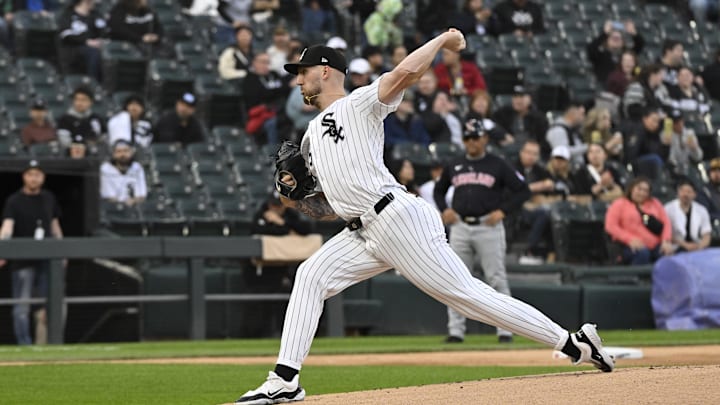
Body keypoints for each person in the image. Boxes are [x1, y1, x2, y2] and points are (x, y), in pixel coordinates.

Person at [233, 30, 614, 405]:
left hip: (396, 217)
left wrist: (442, 40)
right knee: (310, 275)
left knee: (468, 297)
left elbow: (405, 75)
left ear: (327, 70)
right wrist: (294, 199)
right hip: (362, 230)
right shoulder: (309, 137)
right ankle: (284, 380)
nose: (298, 79)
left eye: (303, 71)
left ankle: (572, 343)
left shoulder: (359, 103)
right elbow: (329, 207)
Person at [434, 118, 530, 344]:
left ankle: (505, 329)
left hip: (488, 225)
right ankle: (456, 331)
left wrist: (504, 210)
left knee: (496, 278)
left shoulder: (498, 164)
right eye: (467, 138)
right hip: (460, 227)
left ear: (485, 138)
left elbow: (523, 191)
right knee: (454, 279)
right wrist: (444, 209)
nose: (472, 142)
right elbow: (439, 191)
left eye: (475, 138)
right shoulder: (454, 163)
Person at [0, 160, 64, 345]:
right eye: (30, 174)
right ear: (24, 177)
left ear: (43, 177)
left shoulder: (48, 198)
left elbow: (54, 226)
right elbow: (7, 227)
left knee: (49, 305)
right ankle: (24, 345)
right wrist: (2, 250)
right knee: (22, 306)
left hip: (47, 259)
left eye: (37, 174)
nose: (34, 178)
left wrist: (62, 251)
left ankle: (47, 344)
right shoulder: (14, 200)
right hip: (23, 260)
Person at [605, 176, 673, 265]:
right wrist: (629, 239)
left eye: (645, 190)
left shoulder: (655, 203)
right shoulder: (619, 203)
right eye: (639, 189)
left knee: (667, 254)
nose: (642, 193)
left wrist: (666, 241)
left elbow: (666, 223)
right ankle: (635, 278)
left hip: (655, 244)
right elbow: (610, 226)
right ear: (631, 189)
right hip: (627, 245)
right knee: (642, 253)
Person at [514, 140, 554, 264]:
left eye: (535, 154)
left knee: (551, 214)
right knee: (542, 214)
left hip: (535, 206)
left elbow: (551, 184)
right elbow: (514, 189)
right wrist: (539, 186)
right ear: (521, 153)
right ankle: (529, 250)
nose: (531, 157)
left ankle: (553, 253)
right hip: (515, 207)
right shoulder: (512, 166)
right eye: (528, 153)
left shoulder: (538, 169)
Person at [242, 52, 292, 144]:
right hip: (262, 114)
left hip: (281, 109)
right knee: (272, 123)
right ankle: (273, 150)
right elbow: (261, 95)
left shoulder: (274, 75)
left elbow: (281, 90)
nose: (266, 65)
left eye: (268, 62)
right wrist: (282, 89)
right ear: (254, 63)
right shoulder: (250, 79)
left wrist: (280, 90)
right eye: (263, 62)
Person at [492, 85, 549, 157]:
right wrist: (502, 135)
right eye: (515, 97)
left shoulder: (539, 118)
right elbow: (492, 125)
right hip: (507, 149)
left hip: (530, 152)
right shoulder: (503, 113)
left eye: (521, 97)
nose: (518, 100)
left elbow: (543, 140)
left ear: (530, 99)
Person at [57, 0, 106, 81]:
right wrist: (86, 41)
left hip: (96, 48)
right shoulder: (68, 15)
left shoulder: (96, 15)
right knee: (93, 52)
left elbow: (104, 31)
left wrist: (100, 41)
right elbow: (65, 35)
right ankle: (93, 82)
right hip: (73, 50)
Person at [586, 20, 644, 85]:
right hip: (605, 87)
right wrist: (604, 33)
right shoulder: (600, 55)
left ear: (623, 42)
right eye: (613, 38)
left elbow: (640, 45)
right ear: (607, 40)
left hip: (624, 87)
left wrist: (633, 33)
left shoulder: (626, 55)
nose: (616, 40)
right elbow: (591, 49)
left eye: (619, 39)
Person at [664, 179, 712, 253]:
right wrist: (686, 245)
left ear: (694, 194)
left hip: (696, 246)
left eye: (689, 192)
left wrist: (700, 246)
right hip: (676, 246)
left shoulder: (702, 210)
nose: (685, 194)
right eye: (682, 191)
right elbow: (666, 233)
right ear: (678, 192)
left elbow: (706, 234)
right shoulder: (668, 208)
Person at [100, 140, 147, 206]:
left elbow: (142, 194)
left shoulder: (137, 167)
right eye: (119, 151)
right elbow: (107, 196)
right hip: (112, 208)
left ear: (131, 152)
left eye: (126, 151)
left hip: (135, 206)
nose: (123, 154)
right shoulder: (105, 169)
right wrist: (123, 203)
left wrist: (133, 201)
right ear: (113, 154)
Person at [545, 101, 587, 167]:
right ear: (573, 114)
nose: (583, 118)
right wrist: (587, 147)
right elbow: (562, 152)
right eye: (582, 114)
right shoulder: (558, 130)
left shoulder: (572, 130)